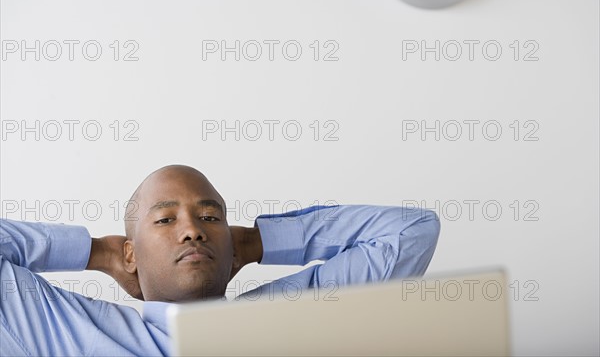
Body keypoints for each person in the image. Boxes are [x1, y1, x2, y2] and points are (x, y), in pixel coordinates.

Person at [0, 165, 441, 356]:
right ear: (130, 255)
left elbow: (409, 233)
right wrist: (99, 252)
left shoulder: (298, 313)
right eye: (165, 219)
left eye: (210, 217)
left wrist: (253, 243)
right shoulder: (62, 332)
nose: (192, 229)